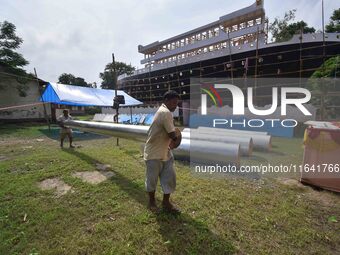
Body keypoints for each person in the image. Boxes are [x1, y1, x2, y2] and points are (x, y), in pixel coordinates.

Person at [144, 90, 181, 213]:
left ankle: (166, 203)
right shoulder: (165, 112)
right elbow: (172, 134)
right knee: (152, 179)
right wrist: (178, 138)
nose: (176, 105)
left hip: (165, 151)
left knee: (169, 177)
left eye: (177, 103)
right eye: (174, 102)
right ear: (166, 101)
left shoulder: (163, 111)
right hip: (154, 153)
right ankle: (152, 203)